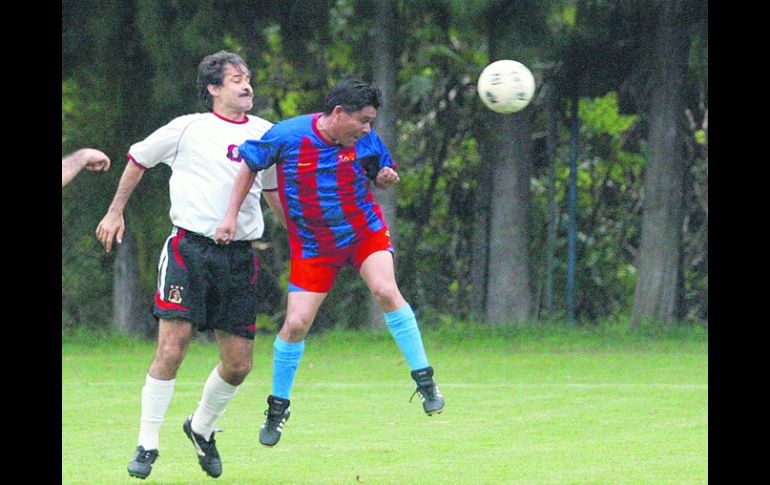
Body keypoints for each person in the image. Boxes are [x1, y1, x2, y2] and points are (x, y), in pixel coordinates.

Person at [216, 78, 445, 448]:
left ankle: (425, 381)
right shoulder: (288, 135)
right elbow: (249, 166)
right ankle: (277, 409)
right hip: (313, 245)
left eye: (372, 122)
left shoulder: (365, 140)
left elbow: (379, 175)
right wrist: (230, 216)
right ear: (339, 114)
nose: (368, 129)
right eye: (364, 120)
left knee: (386, 290)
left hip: (362, 233)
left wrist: (385, 178)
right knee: (295, 324)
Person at [95, 51, 281, 480]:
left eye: (248, 78)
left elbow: (272, 189)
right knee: (172, 348)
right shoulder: (188, 128)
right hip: (189, 251)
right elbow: (139, 159)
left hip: (239, 257)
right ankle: (147, 443)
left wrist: (300, 233)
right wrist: (115, 211)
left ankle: (200, 427)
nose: (247, 85)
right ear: (214, 89)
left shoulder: (265, 133)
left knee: (239, 365)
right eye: (236, 79)